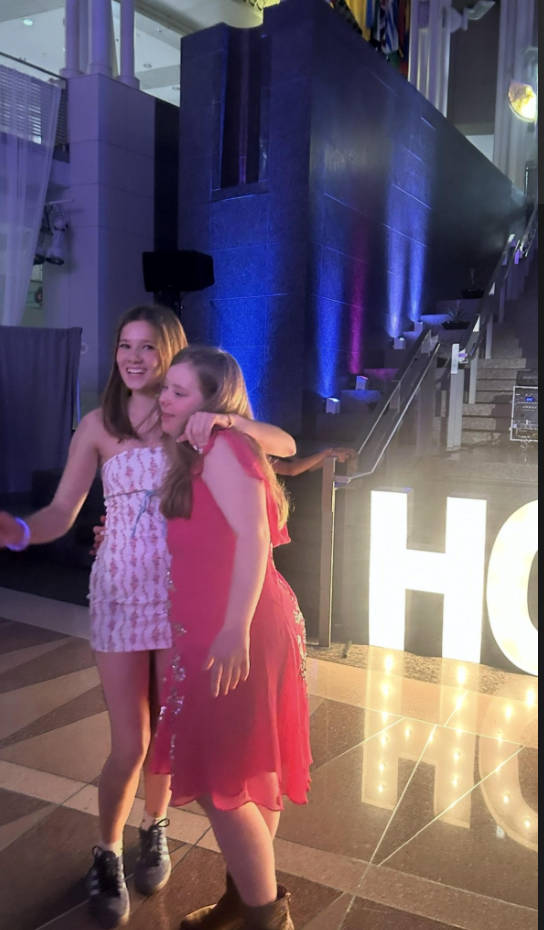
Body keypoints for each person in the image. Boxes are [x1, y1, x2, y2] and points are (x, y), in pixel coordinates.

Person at [0, 306, 296, 930]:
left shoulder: (188, 421)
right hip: (120, 593)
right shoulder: (98, 425)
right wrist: (21, 531)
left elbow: (280, 446)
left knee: (170, 734)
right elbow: (61, 513)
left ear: (171, 355)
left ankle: (154, 827)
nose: (133, 358)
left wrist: (224, 419)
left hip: (182, 597)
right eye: (124, 345)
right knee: (131, 742)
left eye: (147, 347)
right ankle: (107, 851)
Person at [152, 346, 311, 930]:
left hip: (236, 629)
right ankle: (243, 900)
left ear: (211, 402)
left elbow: (254, 537)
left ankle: (266, 917)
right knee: (247, 772)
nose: (164, 399)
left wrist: (233, 630)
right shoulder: (206, 450)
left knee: (222, 782)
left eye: (178, 392)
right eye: (165, 388)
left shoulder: (222, 446)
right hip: (229, 625)